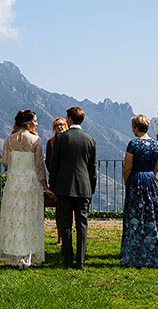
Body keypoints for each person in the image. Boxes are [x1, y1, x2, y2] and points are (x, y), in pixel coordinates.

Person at [0, 110, 55, 269]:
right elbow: (39, 166)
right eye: (35, 121)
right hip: (30, 183)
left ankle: (14, 254)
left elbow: (5, 162)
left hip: (14, 183)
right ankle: (27, 255)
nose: (36, 123)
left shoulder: (9, 139)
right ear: (28, 122)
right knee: (28, 218)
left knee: (14, 217)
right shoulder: (35, 140)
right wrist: (44, 185)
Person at [120, 114, 158, 268]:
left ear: (135, 128)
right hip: (151, 180)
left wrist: (127, 180)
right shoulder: (157, 145)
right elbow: (157, 167)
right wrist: (150, 176)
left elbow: (127, 167)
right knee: (154, 215)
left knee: (136, 215)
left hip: (136, 180)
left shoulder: (133, 144)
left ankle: (135, 253)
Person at [49, 106, 97, 270]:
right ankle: (81, 261)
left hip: (64, 187)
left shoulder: (61, 139)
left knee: (66, 224)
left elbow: (54, 164)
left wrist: (53, 185)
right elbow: (93, 168)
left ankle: (68, 259)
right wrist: (92, 188)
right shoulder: (90, 140)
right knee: (82, 224)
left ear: (69, 119)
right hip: (84, 187)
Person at [45, 117, 68, 244]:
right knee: (59, 210)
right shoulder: (51, 142)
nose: (60, 127)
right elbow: (48, 162)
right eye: (57, 125)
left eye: (62, 125)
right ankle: (60, 237)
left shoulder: (70, 140)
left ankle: (67, 236)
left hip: (69, 180)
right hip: (57, 180)